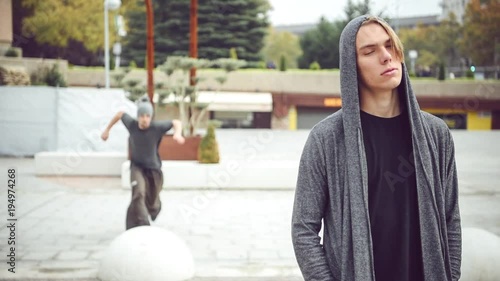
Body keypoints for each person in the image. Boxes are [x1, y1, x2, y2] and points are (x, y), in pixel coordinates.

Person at [291, 15, 461, 281]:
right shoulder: (326, 139)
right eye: (369, 51)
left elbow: (450, 219)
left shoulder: (436, 134)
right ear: (352, 66)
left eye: (390, 45)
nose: (386, 56)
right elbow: (304, 229)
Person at [101, 95, 185, 230]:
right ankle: (142, 225)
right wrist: (107, 130)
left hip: (154, 170)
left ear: (151, 117)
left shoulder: (156, 127)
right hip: (137, 167)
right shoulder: (132, 125)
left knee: (153, 203)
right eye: (141, 116)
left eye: (147, 116)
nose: (144, 119)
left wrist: (178, 133)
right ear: (138, 116)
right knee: (138, 193)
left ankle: (155, 208)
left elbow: (176, 122)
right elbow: (120, 114)